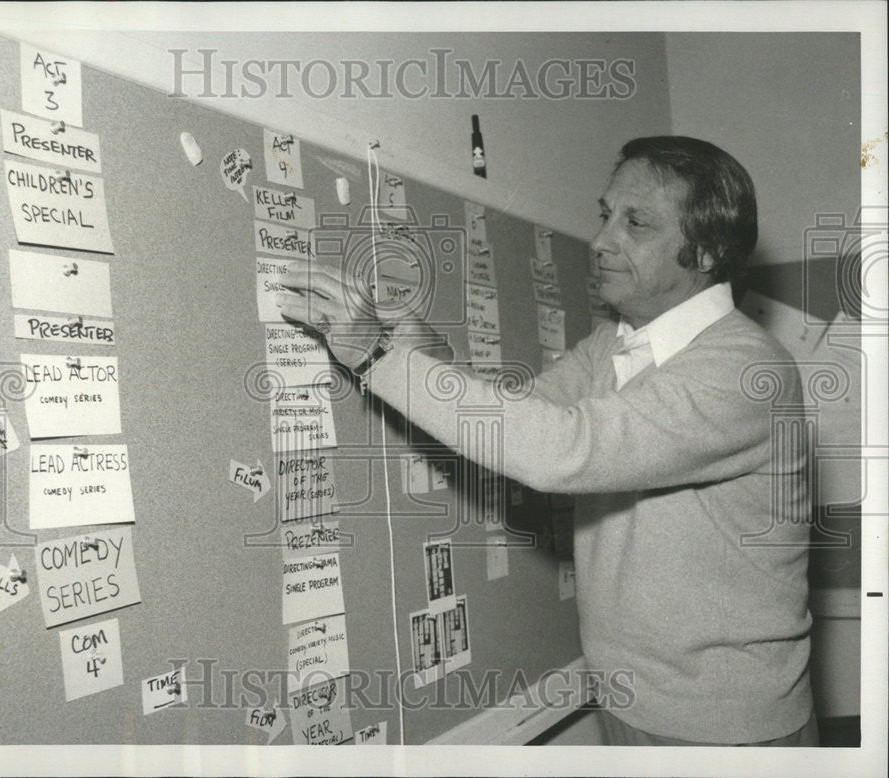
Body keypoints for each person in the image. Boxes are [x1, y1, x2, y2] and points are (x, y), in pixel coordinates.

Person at [277, 136, 817, 746]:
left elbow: (564, 450)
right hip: (633, 702)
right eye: (605, 214)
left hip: (727, 728)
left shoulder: (745, 371)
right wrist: (417, 356)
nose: (602, 240)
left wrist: (377, 357)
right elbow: (529, 416)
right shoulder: (616, 343)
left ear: (710, 250)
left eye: (635, 222)